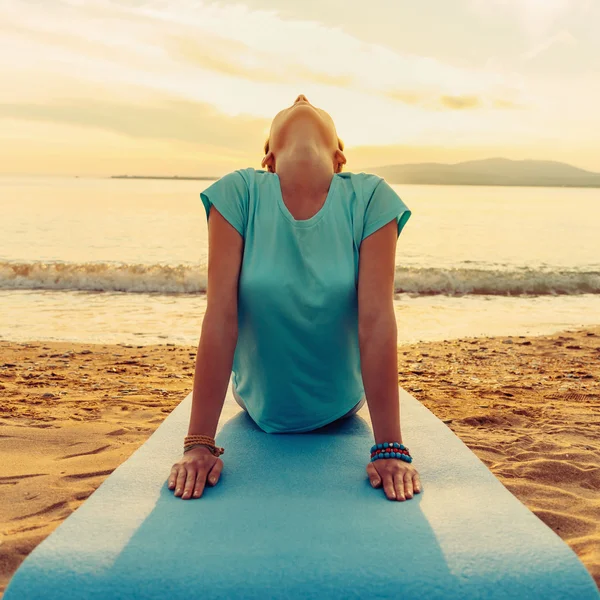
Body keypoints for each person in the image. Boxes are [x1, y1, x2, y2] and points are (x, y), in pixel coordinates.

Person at [168, 94, 421, 502]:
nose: (302, 97)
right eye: (291, 103)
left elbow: (375, 321)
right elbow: (220, 317)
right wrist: (198, 443)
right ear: (267, 157)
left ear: (341, 157)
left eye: (312, 104)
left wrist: (389, 448)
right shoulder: (240, 192)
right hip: (259, 406)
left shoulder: (371, 198)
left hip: (339, 405)